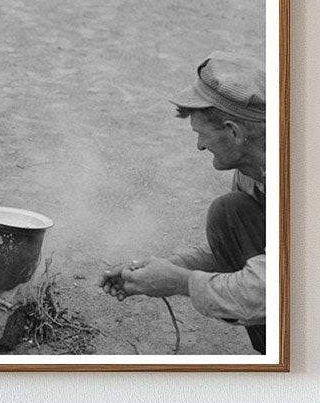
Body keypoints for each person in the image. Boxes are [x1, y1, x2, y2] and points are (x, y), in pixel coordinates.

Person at [98, 55, 267, 353]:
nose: (200, 146)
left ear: (234, 132)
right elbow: (233, 257)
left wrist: (180, 282)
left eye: (202, 135)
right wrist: (161, 270)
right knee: (228, 212)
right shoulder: (253, 167)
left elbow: (266, 288)